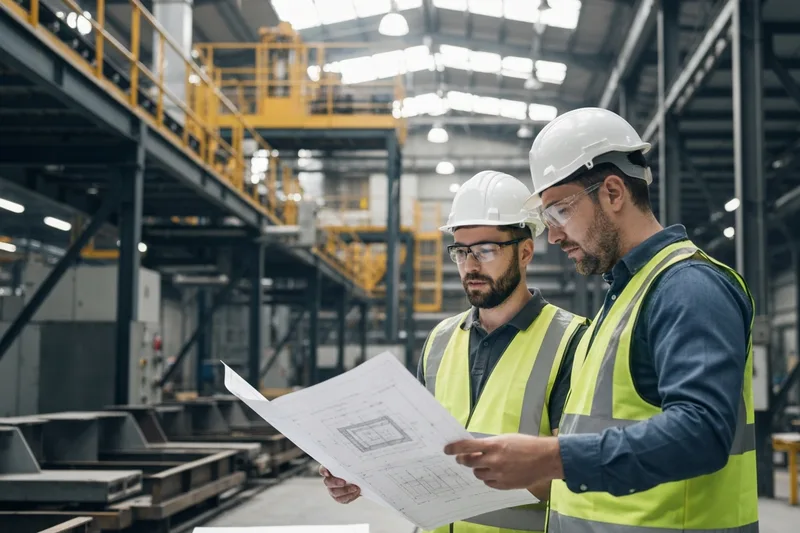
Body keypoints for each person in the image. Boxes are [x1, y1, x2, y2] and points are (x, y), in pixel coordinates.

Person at [444, 108, 759, 532]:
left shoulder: (688, 287)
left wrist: (551, 457)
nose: (552, 235)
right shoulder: (625, 296)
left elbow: (703, 433)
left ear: (612, 192)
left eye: (559, 211)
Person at [320, 170, 588, 533]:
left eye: (486, 250)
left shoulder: (571, 340)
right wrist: (363, 477)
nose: (470, 266)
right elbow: (413, 451)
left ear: (525, 252)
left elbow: (577, 470)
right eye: (461, 252)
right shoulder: (440, 340)